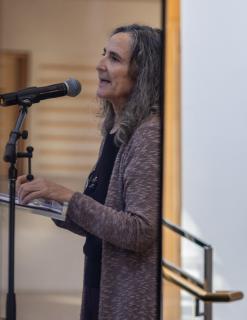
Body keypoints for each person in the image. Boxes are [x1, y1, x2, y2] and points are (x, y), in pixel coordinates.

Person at [17, 24, 161, 320]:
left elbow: (139, 231)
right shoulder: (115, 131)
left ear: (143, 74)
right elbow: (98, 218)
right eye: (103, 54)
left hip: (128, 295)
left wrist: (69, 196)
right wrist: (50, 200)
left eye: (115, 59)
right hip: (101, 281)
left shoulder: (149, 136)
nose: (100, 65)